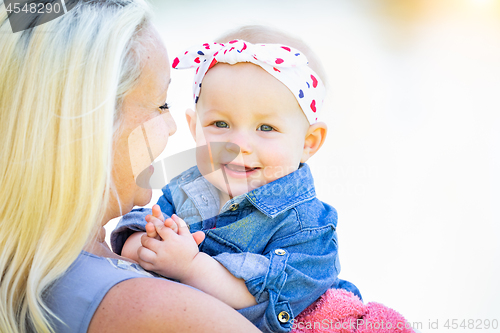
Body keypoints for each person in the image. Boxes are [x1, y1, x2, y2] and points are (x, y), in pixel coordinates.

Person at [0, 1, 261, 332]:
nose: (172, 126)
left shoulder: (22, 276)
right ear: (93, 124)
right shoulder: (162, 314)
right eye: (160, 104)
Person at [111, 26, 361, 333]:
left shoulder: (307, 225)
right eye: (220, 123)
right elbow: (141, 230)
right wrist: (143, 244)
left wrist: (190, 266)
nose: (239, 144)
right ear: (195, 127)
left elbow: (270, 301)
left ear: (309, 142)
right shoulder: (188, 189)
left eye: (266, 128)